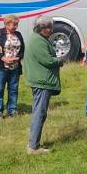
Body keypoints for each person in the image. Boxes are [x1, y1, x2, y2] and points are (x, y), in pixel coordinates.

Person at [24, 16, 62, 154]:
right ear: (42, 29)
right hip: (42, 82)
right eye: (49, 28)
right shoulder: (38, 41)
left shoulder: (38, 39)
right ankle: (33, 146)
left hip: (40, 80)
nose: (51, 30)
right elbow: (47, 60)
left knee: (39, 113)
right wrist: (59, 60)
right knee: (39, 113)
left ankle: (33, 143)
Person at [0, 14, 25, 118]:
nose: (16, 27)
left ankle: (12, 110)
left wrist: (18, 58)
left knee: (13, 89)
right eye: (14, 24)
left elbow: (22, 50)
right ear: (7, 24)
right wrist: (2, 58)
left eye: (17, 24)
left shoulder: (18, 34)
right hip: (0, 67)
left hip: (15, 67)